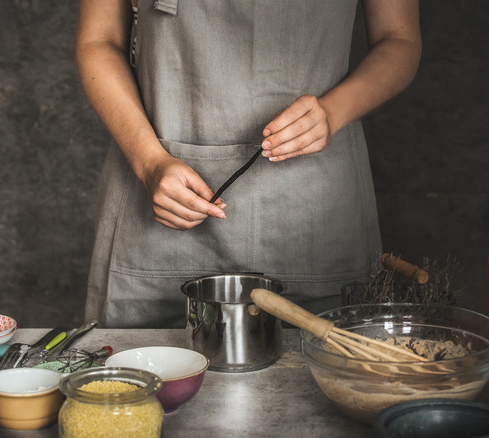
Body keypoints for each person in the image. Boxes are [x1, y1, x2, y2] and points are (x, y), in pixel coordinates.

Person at [76, 0, 422, 328]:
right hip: (154, 202)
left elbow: (399, 39)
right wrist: (149, 161)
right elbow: (99, 40)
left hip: (316, 211)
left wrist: (333, 112)